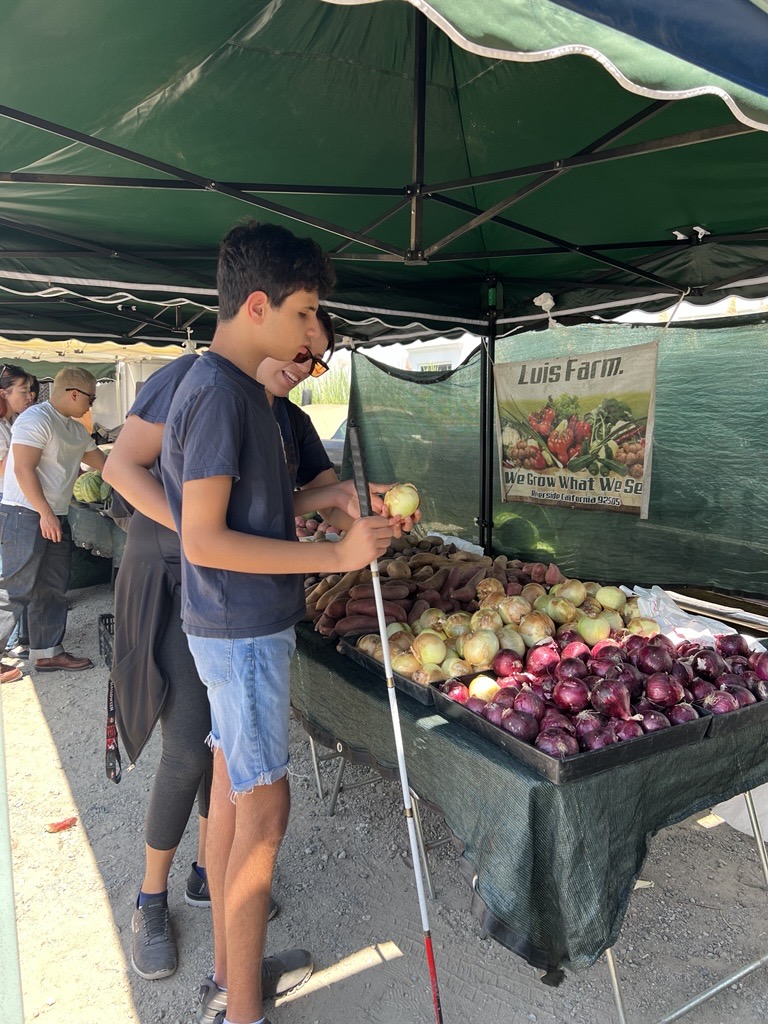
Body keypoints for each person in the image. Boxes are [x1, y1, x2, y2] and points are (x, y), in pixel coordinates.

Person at [161, 220, 398, 1024]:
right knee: (265, 813)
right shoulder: (221, 394)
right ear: (257, 304)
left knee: (234, 797)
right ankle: (241, 1013)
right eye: (305, 313)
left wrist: (320, 500)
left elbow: (248, 518)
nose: (310, 334)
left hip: (237, 629)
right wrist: (334, 560)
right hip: (240, 632)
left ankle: (235, 977)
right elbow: (203, 538)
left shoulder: (237, 390)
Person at [102, 312, 342, 990]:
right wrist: (200, 527)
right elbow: (122, 466)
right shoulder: (195, 380)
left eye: (318, 361)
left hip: (238, 584)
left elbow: (310, 494)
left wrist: (351, 500)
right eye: (302, 345)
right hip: (178, 575)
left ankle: (217, 894)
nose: (303, 365)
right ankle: (152, 899)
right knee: (188, 743)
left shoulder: (283, 414)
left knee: (228, 762)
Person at [0, 367, 104, 672]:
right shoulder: (36, 419)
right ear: (74, 394)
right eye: (92, 397)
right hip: (24, 513)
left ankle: (47, 652)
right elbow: (22, 469)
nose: (92, 404)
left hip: (54, 515)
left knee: (53, 587)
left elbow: (105, 466)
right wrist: (45, 512)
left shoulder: (75, 430)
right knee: (14, 588)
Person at [0, 364, 34, 682]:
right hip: (8, 509)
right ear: (4, 394)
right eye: (22, 391)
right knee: (10, 584)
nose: (29, 396)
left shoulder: (10, 424)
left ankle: (14, 642)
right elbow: (5, 472)